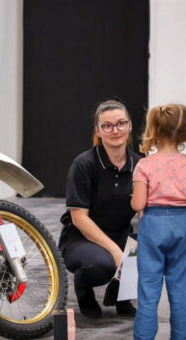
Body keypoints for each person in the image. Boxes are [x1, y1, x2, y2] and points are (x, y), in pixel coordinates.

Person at [126, 104, 186, 340]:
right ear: (185, 134)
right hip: (183, 225)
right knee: (179, 287)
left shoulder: (145, 165)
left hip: (153, 226)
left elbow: (138, 204)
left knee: (148, 288)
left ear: (155, 129)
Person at [59, 99, 141, 318]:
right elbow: (79, 218)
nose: (115, 130)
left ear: (130, 126)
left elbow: (145, 211)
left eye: (121, 123)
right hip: (81, 238)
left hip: (120, 234)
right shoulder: (84, 164)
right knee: (102, 265)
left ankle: (122, 297)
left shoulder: (140, 165)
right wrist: (116, 252)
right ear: (98, 130)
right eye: (107, 126)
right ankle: (83, 289)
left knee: (147, 252)